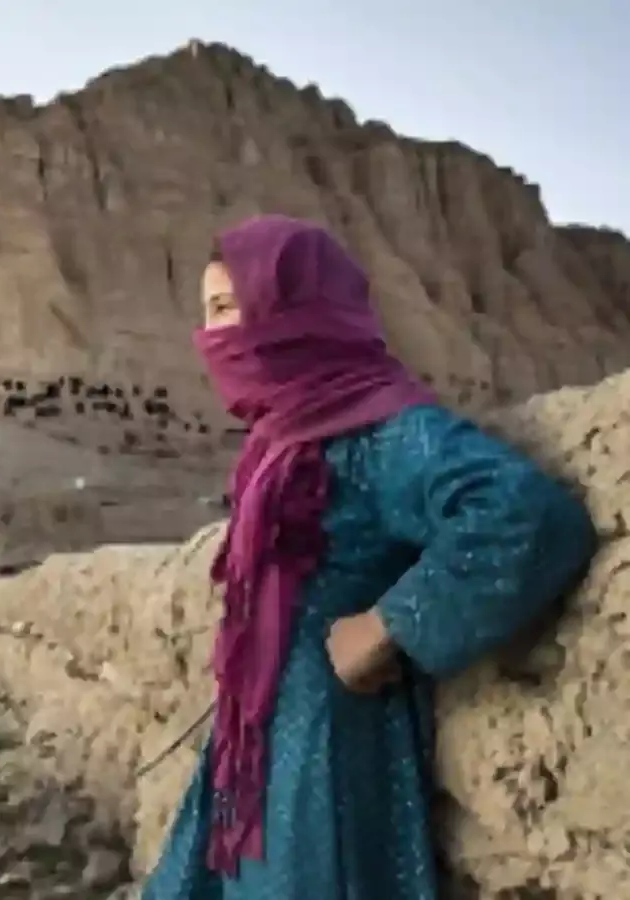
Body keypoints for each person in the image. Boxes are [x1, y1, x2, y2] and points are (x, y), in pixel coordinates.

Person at [142, 215, 598, 899]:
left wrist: (389, 625)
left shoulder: (381, 433)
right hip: (253, 744)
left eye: (235, 306)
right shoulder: (280, 441)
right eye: (211, 311)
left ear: (298, 310)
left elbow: (524, 514)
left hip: (328, 758)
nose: (217, 333)